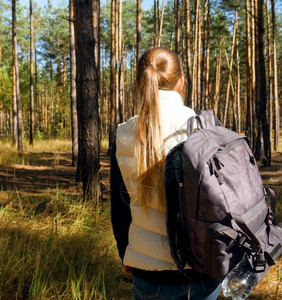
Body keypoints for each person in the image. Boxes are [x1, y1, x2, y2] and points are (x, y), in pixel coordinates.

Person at [110, 47, 222, 299]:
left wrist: (125, 253)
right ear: (181, 82)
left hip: (149, 272)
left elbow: (120, 206)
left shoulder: (124, 133)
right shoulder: (206, 128)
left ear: (139, 84)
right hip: (203, 266)